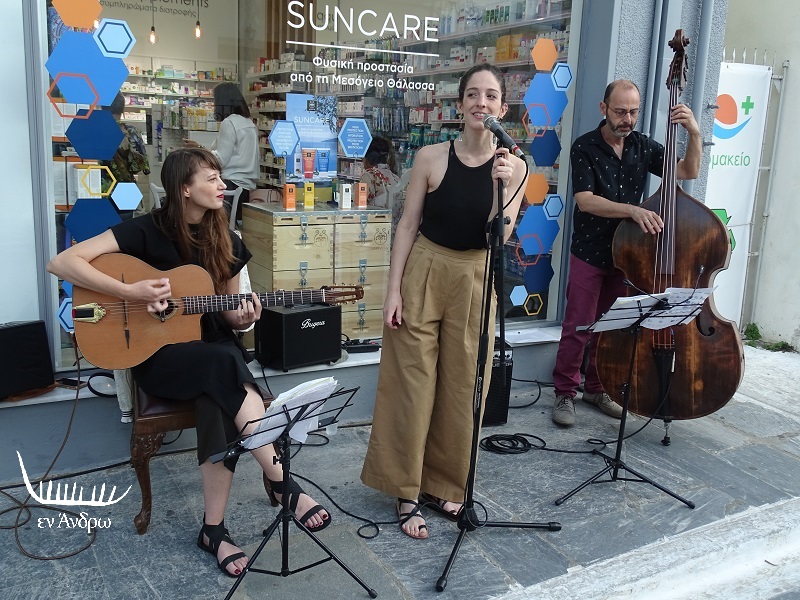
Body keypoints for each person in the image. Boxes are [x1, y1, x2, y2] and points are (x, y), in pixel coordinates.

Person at [47, 148, 330, 577]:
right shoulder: (145, 230)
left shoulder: (225, 239)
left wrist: (244, 317)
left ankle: (213, 530)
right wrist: (132, 292)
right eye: (211, 178)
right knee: (223, 365)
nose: (222, 186)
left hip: (213, 354)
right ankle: (282, 482)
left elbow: (229, 314)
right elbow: (61, 262)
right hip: (159, 357)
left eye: (220, 178)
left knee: (218, 392)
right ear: (184, 188)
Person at [360, 64, 528, 540]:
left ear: (502, 108)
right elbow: (407, 226)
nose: (481, 103)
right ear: (460, 105)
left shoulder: (514, 168)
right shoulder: (431, 158)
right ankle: (405, 489)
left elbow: (499, 236)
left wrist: (502, 185)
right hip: (426, 269)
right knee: (411, 382)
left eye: (490, 96)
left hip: (476, 275)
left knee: (462, 385)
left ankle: (445, 483)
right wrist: (393, 290)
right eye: (472, 94)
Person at [551, 79, 702, 427]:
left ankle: (597, 388)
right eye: (620, 111)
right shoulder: (584, 146)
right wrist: (633, 211)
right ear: (604, 109)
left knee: (613, 328)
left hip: (627, 255)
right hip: (590, 251)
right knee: (578, 326)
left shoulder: (642, 146)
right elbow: (585, 201)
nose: (627, 119)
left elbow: (687, 171)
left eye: (633, 112)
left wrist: (694, 132)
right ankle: (565, 392)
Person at [184, 82, 258, 224]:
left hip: (230, 184)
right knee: (235, 227)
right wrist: (200, 147)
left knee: (219, 226)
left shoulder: (229, 123)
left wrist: (197, 153)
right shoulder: (248, 123)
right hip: (246, 187)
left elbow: (220, 160)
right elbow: (233, 154)